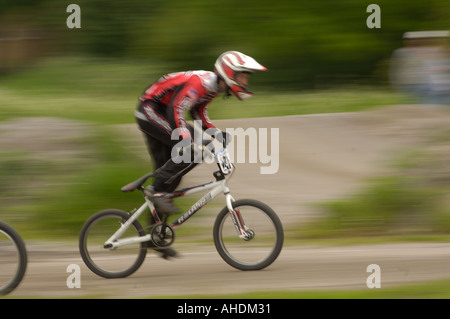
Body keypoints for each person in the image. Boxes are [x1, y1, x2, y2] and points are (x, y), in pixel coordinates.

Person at [134, 51, 267, 258]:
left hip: (163, 111)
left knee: (171, 180)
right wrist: (187, 139)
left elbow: (198, 112)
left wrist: (215, 132)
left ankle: (155, 236)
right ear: (229, 73)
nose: (245, 80)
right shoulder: (201, 83)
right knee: (191, 151)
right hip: (150, 110)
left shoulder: (213, 87)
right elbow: (177, 109)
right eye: (243, 76)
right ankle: (156, 190)